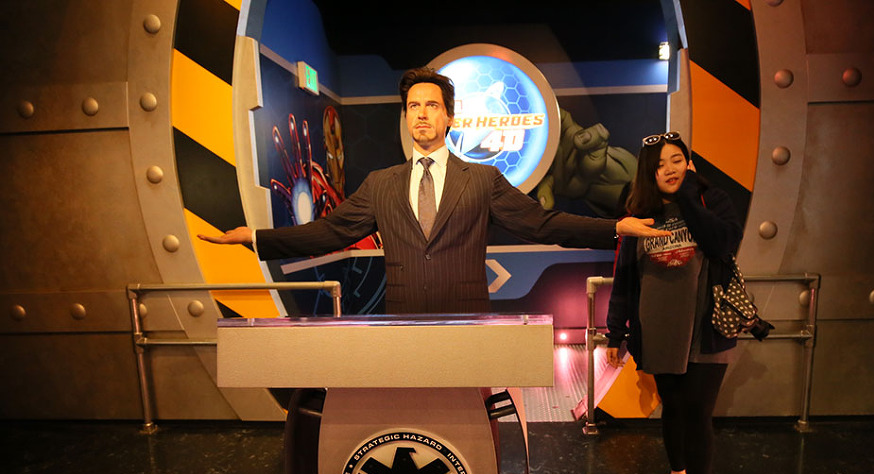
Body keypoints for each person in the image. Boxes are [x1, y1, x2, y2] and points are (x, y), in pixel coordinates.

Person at [198, 67, 668, 314]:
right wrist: (255, 238)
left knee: (469, 427)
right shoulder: (381, 184)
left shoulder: (482, 179)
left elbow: (543, 223)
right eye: (412, 106)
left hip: (467, 316)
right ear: (406, 116)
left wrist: (615, 228)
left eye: (431, 105)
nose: (421, 113)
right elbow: (329, 232)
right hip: (404, 318)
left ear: (450, 117)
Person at [605, 132, 743, 474]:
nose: (669, 168)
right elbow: (625, 277)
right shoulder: (640, 214)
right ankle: (678, 473)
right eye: (660, 163)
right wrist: (615, 332)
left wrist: (687, 196)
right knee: (674, 407)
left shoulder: (711, 201)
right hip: (659, 331)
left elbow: (721, 243)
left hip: (706, 332)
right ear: (648, 171)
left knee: (698, 414)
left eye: (677, 160)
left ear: (689, 163)